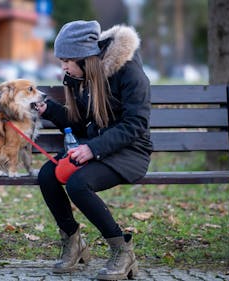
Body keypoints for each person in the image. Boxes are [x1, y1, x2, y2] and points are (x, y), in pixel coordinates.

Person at [34, 20, 152, 280]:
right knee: (47, 176)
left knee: (78, 184)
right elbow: (80, 121)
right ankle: (73, 243)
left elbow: (136, 125)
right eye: (61, 60)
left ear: (85, 58)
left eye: (67, 60)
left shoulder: (129, 73)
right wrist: (50, 110)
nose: (63, 66)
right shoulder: (82, 76)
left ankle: (123, 251)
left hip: (130, 151)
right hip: (96, 147)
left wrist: (93, 149)